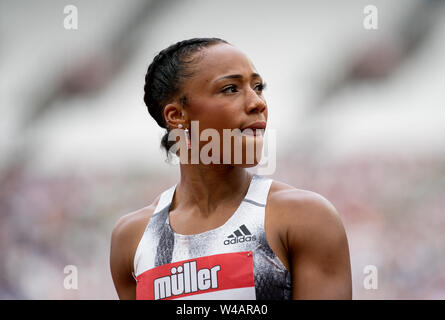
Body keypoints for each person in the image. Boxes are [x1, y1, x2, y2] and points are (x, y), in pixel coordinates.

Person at [110, 38, 352, 300]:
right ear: (177, 115)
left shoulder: (304, 217)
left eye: (258, 87)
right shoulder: (132, 237)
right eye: (230, 89)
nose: (257, 102)